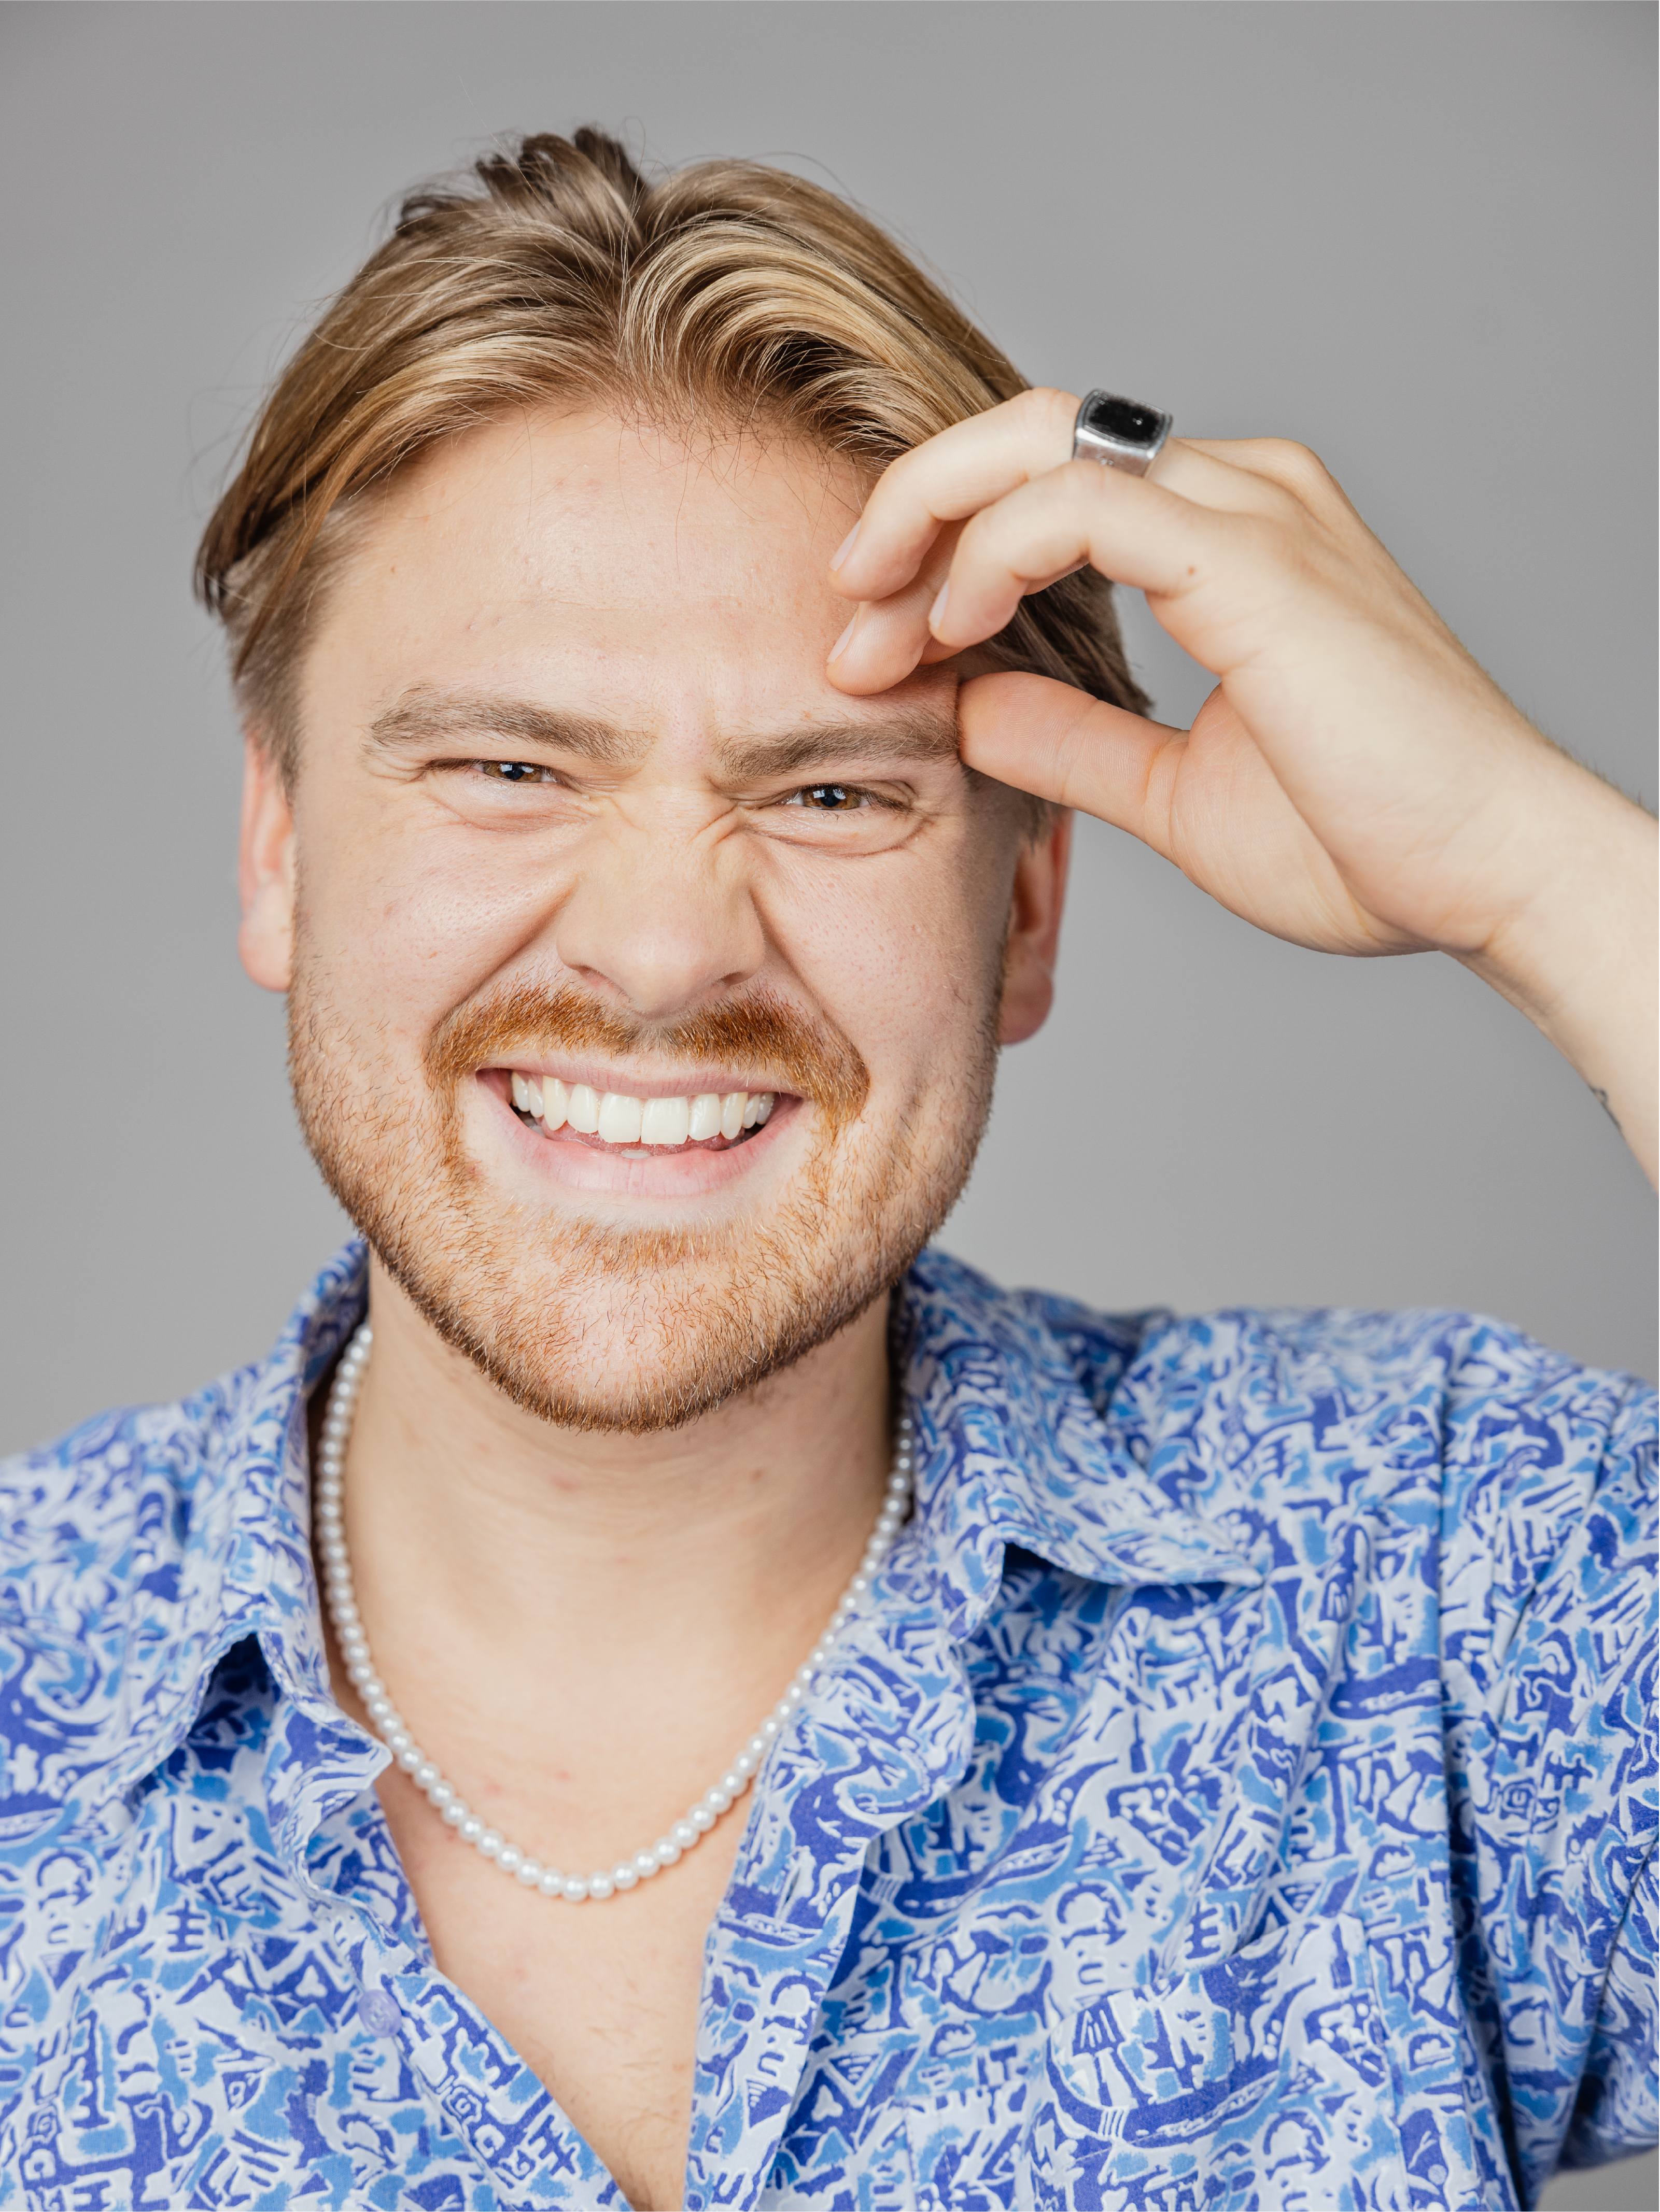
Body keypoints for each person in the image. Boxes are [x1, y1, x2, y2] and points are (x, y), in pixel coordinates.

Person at [1, 126, 1653, 2212]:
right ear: (279, 845)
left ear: (1026, 910)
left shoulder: (1430, 1581)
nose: (664, 945)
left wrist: (1547, 881)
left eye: (834, 786)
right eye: (510, 766)